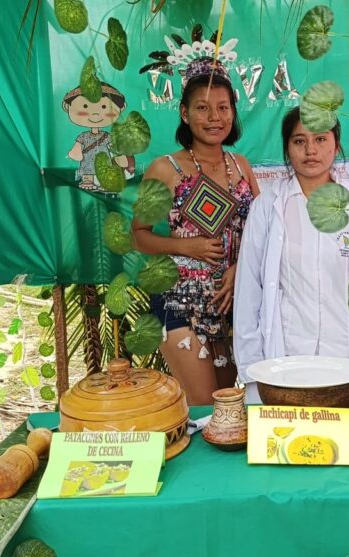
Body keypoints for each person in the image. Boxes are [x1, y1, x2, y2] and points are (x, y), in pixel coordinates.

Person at [234, 107, 349, 408]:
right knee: (286, 432)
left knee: (342, 433)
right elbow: (249, 289)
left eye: (320, 139)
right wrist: (251, 365)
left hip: (344, 352)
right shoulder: (268, 207)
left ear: (336, 145)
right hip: (285, 355)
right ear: (287, 148)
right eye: (299, 141)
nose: (311, 150)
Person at [132, 57, 259, 406]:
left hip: (234, 302)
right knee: (205, 407)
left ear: (233, 112)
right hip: (181, 301)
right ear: (184, 113)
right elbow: (139, 235)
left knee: (229, 406)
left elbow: (262, 233)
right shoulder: (165, 168)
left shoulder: (241, 166)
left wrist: (239, 268)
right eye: (202, 108)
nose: (214, 117)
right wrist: (188, 248)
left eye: (223, 107)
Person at [63, 83, 134, 191]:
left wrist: (122, 158)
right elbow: (77, 149)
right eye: (85, 106)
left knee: (105, 170)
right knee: (88, 171)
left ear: (121, 108)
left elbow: (115, 148)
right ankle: (88, 180)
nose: (95, 114)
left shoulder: (107, 136)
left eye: (104, 107)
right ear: (67, 107)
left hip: (105, 161)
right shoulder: (83, 136)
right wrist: (75, 154)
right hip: (87, 161)